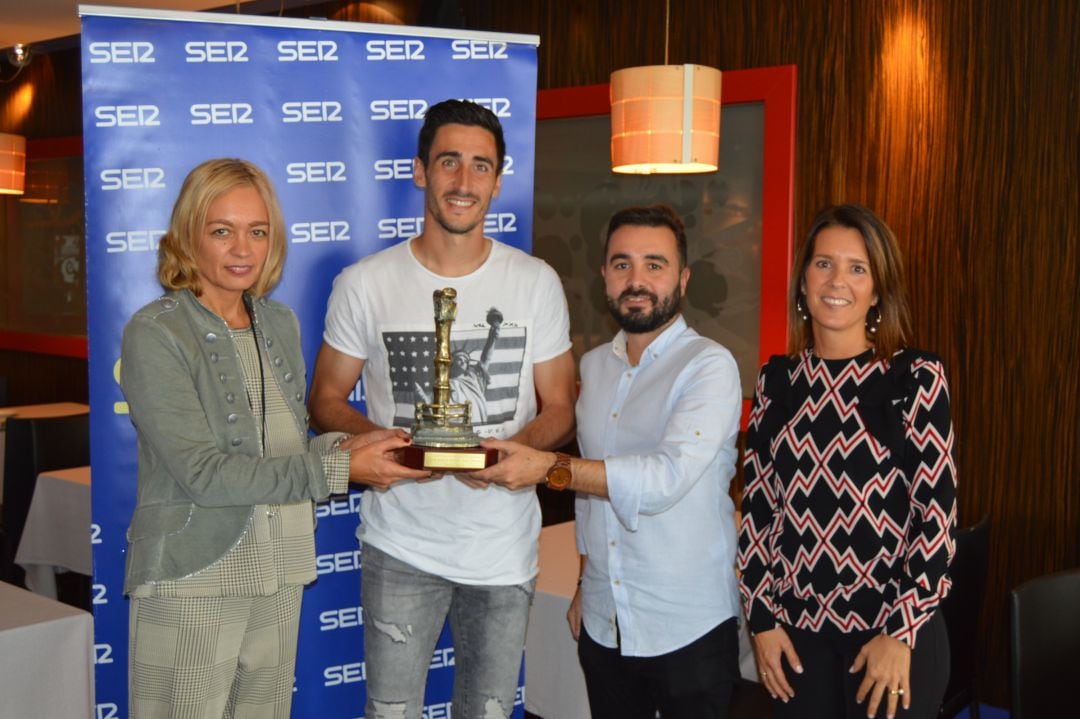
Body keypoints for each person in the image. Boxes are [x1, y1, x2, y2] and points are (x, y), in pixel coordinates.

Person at [120, 158, 422, 718]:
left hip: (280, 568)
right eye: (222, 231)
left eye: (257, 232)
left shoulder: (278, 322)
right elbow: (206, 474)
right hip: (193, 575)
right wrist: (338, 470)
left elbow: (283, 451)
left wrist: (359, 448)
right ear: (189, 234)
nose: (243, 249)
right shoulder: (156, 332)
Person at [308, 100, 576, 719]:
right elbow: (324, 400)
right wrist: (388, 445)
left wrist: (520, 453)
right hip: (401, 545)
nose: (464, 181)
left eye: (481, 166)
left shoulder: (534, 282)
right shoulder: (365, 282)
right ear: (420, 171)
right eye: (449, 161)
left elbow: (561, 406)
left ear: (498, 179)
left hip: (503, 550)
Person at [476, 204, 743, 718]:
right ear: (604, 276)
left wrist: (549, 466)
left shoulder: (709, 366)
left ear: (683, 279)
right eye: (622, 265)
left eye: (654, 265)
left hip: (687, 625)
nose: (636, 280)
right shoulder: (594, 367)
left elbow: (664, 479)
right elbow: (591, 502)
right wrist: (584, 582)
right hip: (604, 620)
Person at [737, 204, 957, 719]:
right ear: (803, 280)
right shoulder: (777, 382)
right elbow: (759, 513)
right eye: (823, 264)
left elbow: (937, 520)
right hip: (795, 641)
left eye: (858, 268)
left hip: (891, 638)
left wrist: (900, 633)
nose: (838, 281)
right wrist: (763, 621)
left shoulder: (916, 379)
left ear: (878, 289)